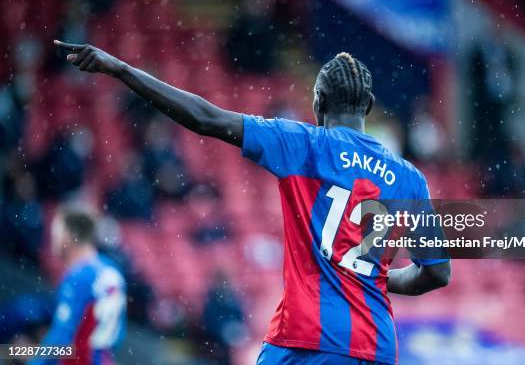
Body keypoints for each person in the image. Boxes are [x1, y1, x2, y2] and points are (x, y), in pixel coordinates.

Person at [53, 40, 451, 364]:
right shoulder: (410, 179)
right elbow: (437, 274)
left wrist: (122, 70)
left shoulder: (303, 143)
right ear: (366, 107)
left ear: (318, 103)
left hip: (306, 339)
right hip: (376, 346)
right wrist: (376, 278)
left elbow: (206, 118)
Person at [31, 207, 126, 364]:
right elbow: (118, 334)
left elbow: (61, 337)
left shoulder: (80, 276)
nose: (52, 238)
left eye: (56, 232)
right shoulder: (112, 271)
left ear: (68, 236)